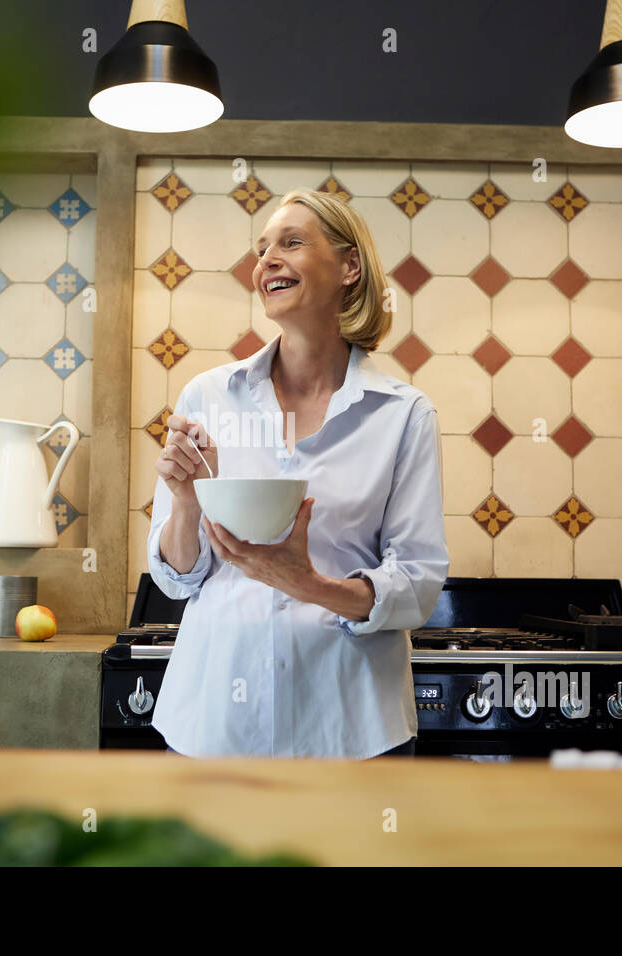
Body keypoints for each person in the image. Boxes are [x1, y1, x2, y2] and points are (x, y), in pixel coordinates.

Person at [146, 187, 448, 759]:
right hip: (215, 725)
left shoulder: (404, 414)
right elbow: (178, 577)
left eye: (291, 242)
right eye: (262, 250)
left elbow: (417, 584)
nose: (267, 262)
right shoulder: (208, 395)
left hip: (349, 729)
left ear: (349, 267)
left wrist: (308, 585)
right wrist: (185, 503)